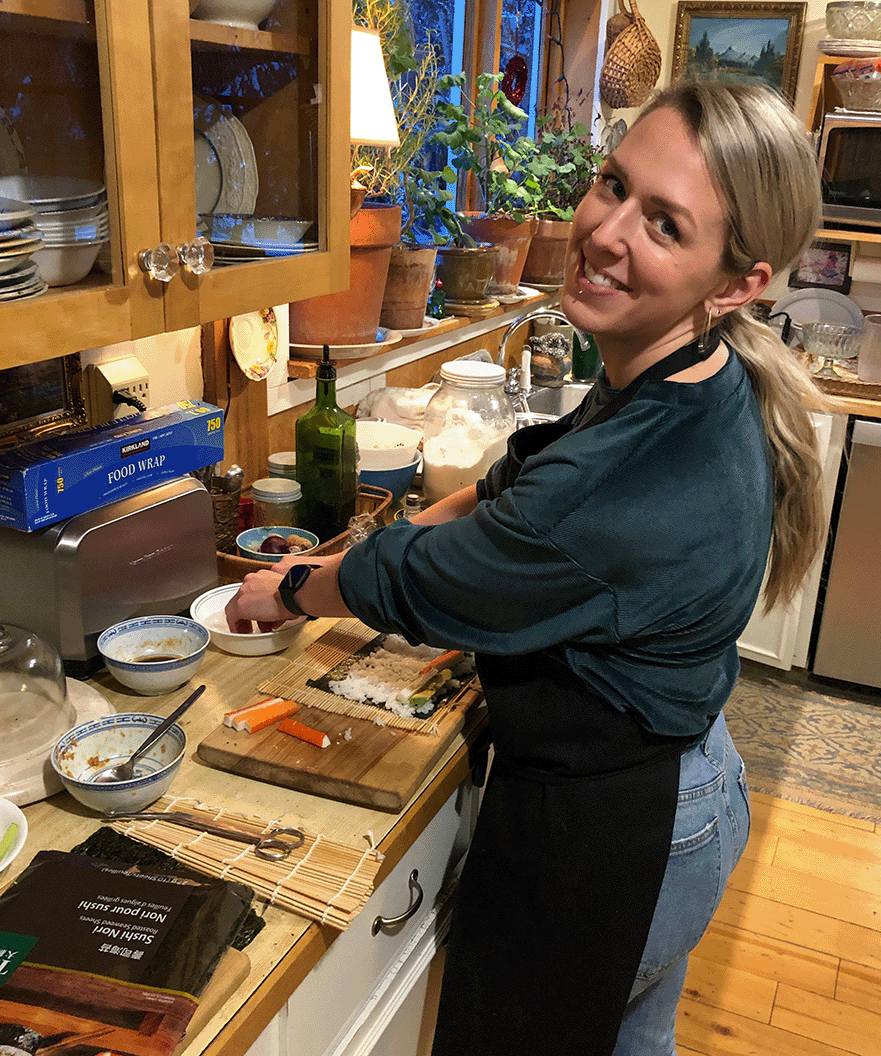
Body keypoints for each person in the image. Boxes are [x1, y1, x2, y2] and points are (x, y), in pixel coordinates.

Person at [226, 79, 829, 1056]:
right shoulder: (677, 371)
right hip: (683, 787)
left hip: (614, 830)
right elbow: (519, 482)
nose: (605, 230)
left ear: (735, 282)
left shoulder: (634, 471)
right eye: (612, 185)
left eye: (665, 225)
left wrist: (292, 588)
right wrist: (358, 544)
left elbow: (431, 584)